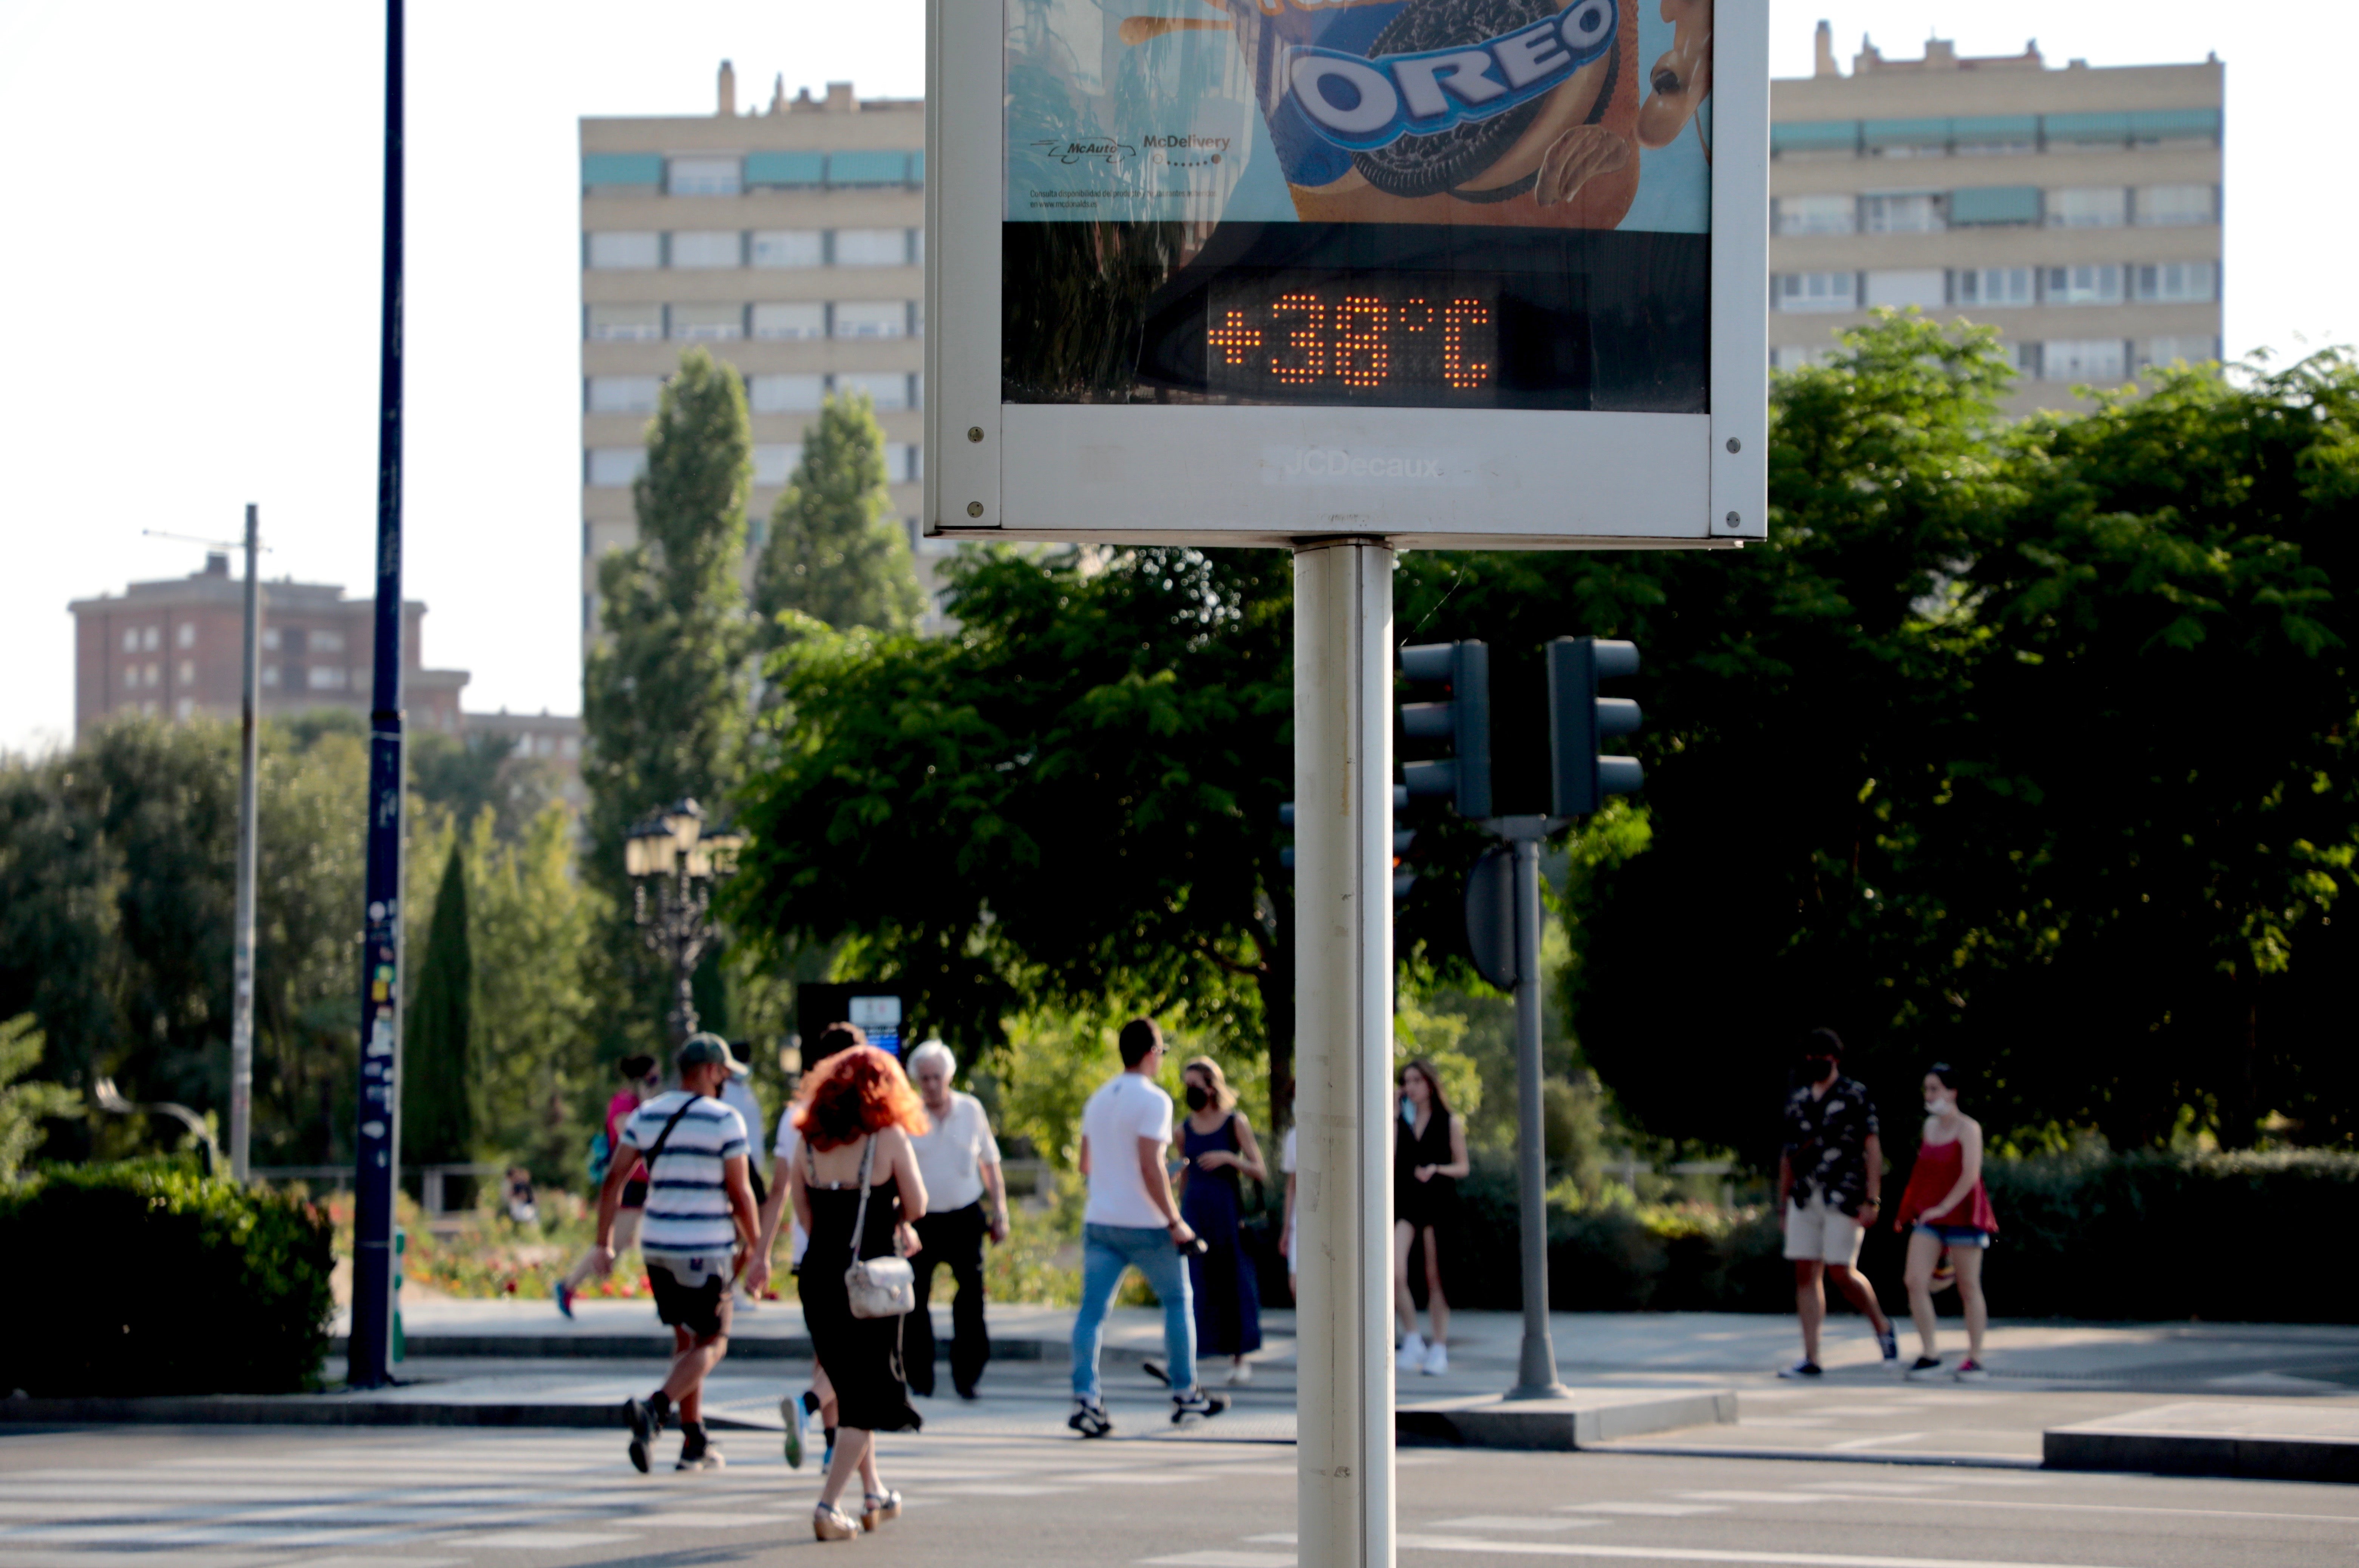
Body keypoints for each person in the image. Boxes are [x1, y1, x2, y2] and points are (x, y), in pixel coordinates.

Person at [747, 1030, 930, 1542]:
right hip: (870, 1279)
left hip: (819, 1276)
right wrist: (893, 1215)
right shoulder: (888, 1137)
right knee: (865, 1396)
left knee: (849, 1384)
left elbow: (803, 1215)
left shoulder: (807, 1140)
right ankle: (828, 1505)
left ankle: (874, 1492)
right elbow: (918, 1203)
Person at [595, 1034, 758, 1474]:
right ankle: (656, 1406)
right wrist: (758, 1247)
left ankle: (693, 1440)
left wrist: (603, 1244)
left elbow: (613, 1180)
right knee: (714, 1341)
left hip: (659, 1247)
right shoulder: (725, 1119)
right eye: (723, 1072)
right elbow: (740, 1192)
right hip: (704, 1248)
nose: (725, 1082)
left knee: (685, 1340)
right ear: (708, 1071)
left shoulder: (648, 1113)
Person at [1068, 1017, 1226, 1437]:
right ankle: (1185, 1391)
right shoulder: (1155, 1101)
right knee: (1177, 1301)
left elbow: (1086, 1164)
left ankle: (1086, 1397)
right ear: (1152, 1052)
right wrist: (1176, 1221)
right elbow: (1150, 1165)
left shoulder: (1097, 1099)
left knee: (1092, 1313)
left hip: (1101, 1219)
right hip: (1147, 1223)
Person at [1776, 1028, 1900, 1378]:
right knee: (1805, 1271)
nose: (1815, 1062)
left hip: (1844, 1195)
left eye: (1822, 1056)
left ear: (1836, 1059)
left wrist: (1872, 1198)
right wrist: (1783, 1204)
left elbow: (1872, 1147)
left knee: (1840, 1270)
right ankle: (1812, 1356)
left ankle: (1882, 1327)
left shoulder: (1854, 1095)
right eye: (1811, 1056)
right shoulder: (1799, 1100)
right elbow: (1788, 1155)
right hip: (1805, 1195)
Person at [903, 1039, 1009, 1400]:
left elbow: (990, 1161)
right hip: (921, 1218)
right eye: (924, 1078)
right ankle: (921, 1379)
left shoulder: (970, 1109)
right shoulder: (908, 1113)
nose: (931, 1085)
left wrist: (1001, 1212)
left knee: (970, 1298)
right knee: (915, 1300)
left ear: (948, 1076)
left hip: (964, 1214)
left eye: (937, 1077)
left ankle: (968, 1376)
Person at [1894, 1062, 1998, 1382]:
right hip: (1931, 1216)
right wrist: (1914, 1209)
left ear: (1952, 1092)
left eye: (1935, 1088)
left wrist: (1944, 1207)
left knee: (1969, 1287)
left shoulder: (1969, 1129)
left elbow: (1970, 1175)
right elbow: (1924, 1173)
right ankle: (1930, 1354)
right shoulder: (1929, 1128)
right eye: (1927, 1088)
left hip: (1963, 1217)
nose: (1930, 1095)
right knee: (1914, 1280)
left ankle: (1975, 1357)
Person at [1175, 1056, 1268, 1386]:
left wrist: (1230, 1159)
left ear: (1211, 1087)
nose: (1190, 1091)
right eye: (1186, 1086)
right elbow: (1183, 1175)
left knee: (1235, 1282)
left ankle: (1241, 1358)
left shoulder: (1234, 1123)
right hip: (1195, 1212)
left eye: (1195, 1085)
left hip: (1228, 1213)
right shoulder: (1183, 1129)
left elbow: (1260, 1169)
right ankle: (1192, 1359)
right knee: (1197, 1283)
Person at [557, 1054, 661, 1317]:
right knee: (612, 1244)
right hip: (630, 1183)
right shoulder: (625, 1104)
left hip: (646, 1183)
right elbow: (637, 1138)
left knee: (647, 1240)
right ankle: (569, 1285)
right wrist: (648, 1104)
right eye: (655, 1077)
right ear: (642, 1078)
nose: (658, 1083)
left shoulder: (640, 1104)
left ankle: (666, 1296)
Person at [1393, 1058, 1469, 1376]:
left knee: (1435, 1277)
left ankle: (1439, 1347)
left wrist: (1437, 1169)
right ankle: (1412, 1338)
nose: (1410, 1087)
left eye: (1416, 1081)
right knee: (1394, 1271)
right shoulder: (1402, 1120)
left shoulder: (1449, 1122)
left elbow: (1463, 1166)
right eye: (1406, 1081)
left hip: (1438, 1202)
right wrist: (1395, 1116)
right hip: (1408, 1202)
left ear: (1429, 1084)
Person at [1278, 1123, 1299, 1301]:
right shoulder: (1294, 1136)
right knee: (1297, 1285)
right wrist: (1286, 1230)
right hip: (1300, 1223)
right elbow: (1292, 1186)